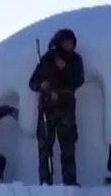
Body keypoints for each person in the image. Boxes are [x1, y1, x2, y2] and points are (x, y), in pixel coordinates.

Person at [28, 28, 84, 185]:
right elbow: (32, 82)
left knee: (68, 147)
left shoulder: (75, 60)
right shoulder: (47, 59)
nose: (69, 45)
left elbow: (79, 80)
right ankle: (45, 182)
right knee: (44, 148)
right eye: (66, 42)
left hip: (66, 109)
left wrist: (64, 68)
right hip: (47, 109)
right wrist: (42, 85)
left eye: (71, 42)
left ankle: (70, 182)